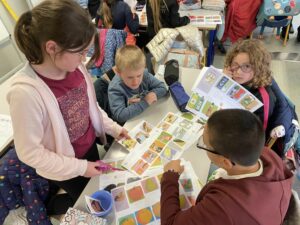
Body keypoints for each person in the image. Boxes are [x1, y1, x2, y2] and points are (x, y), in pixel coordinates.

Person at [8, 0, 128, 215]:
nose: (85, 58)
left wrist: (114, 129)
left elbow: (91, 108)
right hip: (65, 166)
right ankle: (52, 206)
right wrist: (81, 168)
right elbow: (30, 153)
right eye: (80, 52)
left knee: (98, 190)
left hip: (88, 147)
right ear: (52, 47)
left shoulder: (76, 67)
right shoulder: (25, 92)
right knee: (87, 199)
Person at [160, 109, 293, 225]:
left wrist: (170, 176)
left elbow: (170, 222)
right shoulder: (269, 155)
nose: (203, 143)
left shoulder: (222, 206)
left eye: (205, 144)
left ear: (226, 162)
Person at [223, 39, 298, 157]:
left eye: (246, 66)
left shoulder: (263, 99)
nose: (237, 71)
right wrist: (224, 82)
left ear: (258, 69)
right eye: (235, 64)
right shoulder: (237, 79)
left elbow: (255, 135)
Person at [108, 45, 168, 124]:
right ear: (118, 72)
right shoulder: (115, 88)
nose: (135, 82)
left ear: (143, 68)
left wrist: (151, 94)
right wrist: (145, 101)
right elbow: (120, 116)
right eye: (130, 77)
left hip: (146, 116)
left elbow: (162, 88)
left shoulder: (145, 74)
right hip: (127, 124)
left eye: (139, 76)